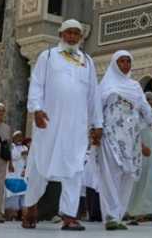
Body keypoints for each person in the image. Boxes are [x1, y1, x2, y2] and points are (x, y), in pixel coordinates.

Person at [23, 18, 103, 230]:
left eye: (76, 33)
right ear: (61, 34)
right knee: (41, 165)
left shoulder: (87, 60)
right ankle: (30, 206)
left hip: (76, 126)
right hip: (49, 122)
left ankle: (69, 215)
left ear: (80, 37)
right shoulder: (47, 56)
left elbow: (93, 94)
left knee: (75, 167)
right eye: (68, 32)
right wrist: (36, 109)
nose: (72, 36)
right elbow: (37, 85)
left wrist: (97, 124)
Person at [96, 50, 152, 230]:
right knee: (111, 174)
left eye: (128, 61)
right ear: (115, 64)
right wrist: (95, 129)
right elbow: (96, 108)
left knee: (128, 175)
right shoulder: (106, 84)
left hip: (131, 135)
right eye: (121, 61)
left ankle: (118, 215)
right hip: (110, 133)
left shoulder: (135, 86)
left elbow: (144, 108)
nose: (125, 65)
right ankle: (110, 215)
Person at [126, 91, 152, 225]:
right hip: (139, 151)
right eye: (148, 100)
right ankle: (136, 213)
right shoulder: (134, 116)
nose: (150, 102)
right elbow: (132, 134)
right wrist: (141, 146)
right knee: (138, 181)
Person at [5, 130, 29, 220]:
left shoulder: (25, 148)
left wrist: (25, 169)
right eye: (17, 136)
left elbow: (27, 160)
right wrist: (20, 154)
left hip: (22, 174)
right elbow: (12, 156)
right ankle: (11, 214)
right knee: (12, 194)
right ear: (13, 138)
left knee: (23, 194)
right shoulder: (11, 147)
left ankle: (24, 215)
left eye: (21, 136)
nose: (19, 138)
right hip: (12, 174)